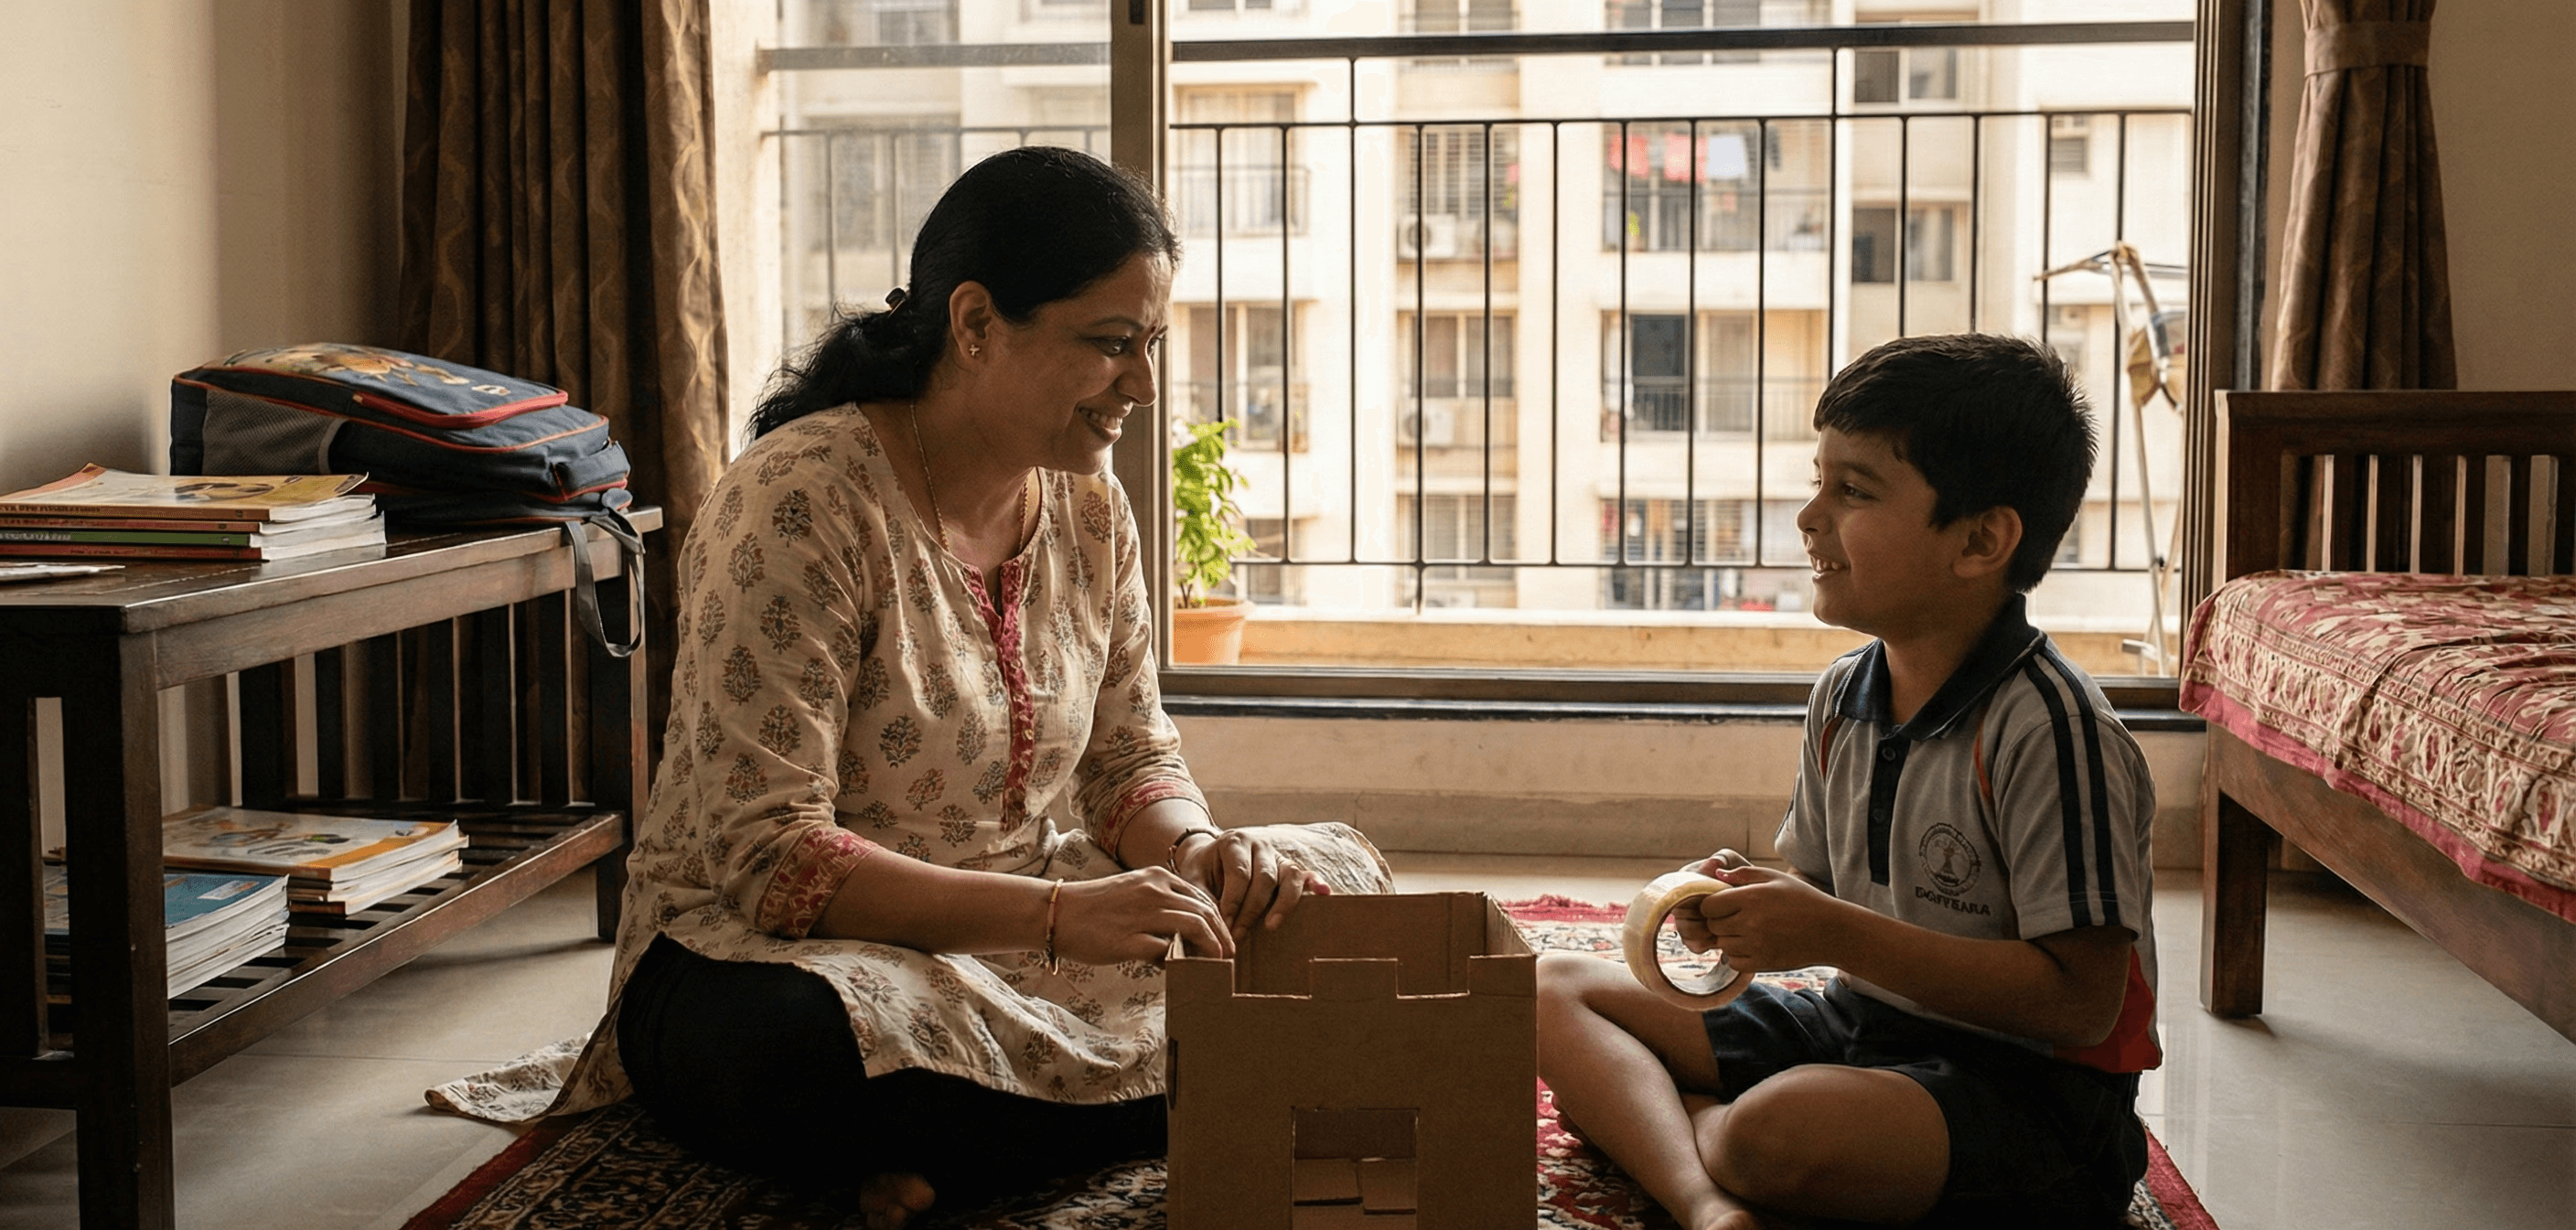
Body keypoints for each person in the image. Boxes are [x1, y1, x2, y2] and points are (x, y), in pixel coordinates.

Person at [438, 146, 1390, 1227]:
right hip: (782, 954)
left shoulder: (1090, 513)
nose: (1143, 385)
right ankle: (1192, 1087)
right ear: (976, 323)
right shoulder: (799, 503)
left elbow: (1129, 757)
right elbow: (769, 855)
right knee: (810, 1043)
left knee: (1332, 883)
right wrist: (1055, 918)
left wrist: (1192, 855)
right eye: (1111, 345)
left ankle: (980, 1141)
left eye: (1151, 346)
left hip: (1033, 935)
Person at [1536, 334, 2159, 1230]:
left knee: (1776, 1131)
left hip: (2028, 1093)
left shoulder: (2052, 730)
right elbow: (1819, 889)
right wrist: (1754, 900)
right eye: (1816, 479)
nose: (1807, 516)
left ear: (1980, 539)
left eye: (1852, 490)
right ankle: (1708, 1201)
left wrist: (1831, 932)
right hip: (1859, 1030)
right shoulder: (1842, 694)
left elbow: (2077, 1000)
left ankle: (1677, 1136)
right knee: (1551, 988)